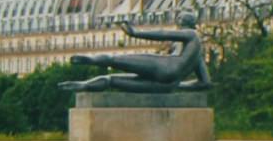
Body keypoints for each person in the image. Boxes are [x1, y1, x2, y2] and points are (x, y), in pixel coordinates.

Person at [60, 9, 211, 92]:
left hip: (164, 66)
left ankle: (92, 60)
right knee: (112, 81)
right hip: (169, 83)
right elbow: (205, 82)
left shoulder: (191, 34)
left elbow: (162, 34)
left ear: (181, 22)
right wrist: (178, 86)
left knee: (115, 60)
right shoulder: (197, 53)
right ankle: (84, 85)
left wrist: (135, 33)